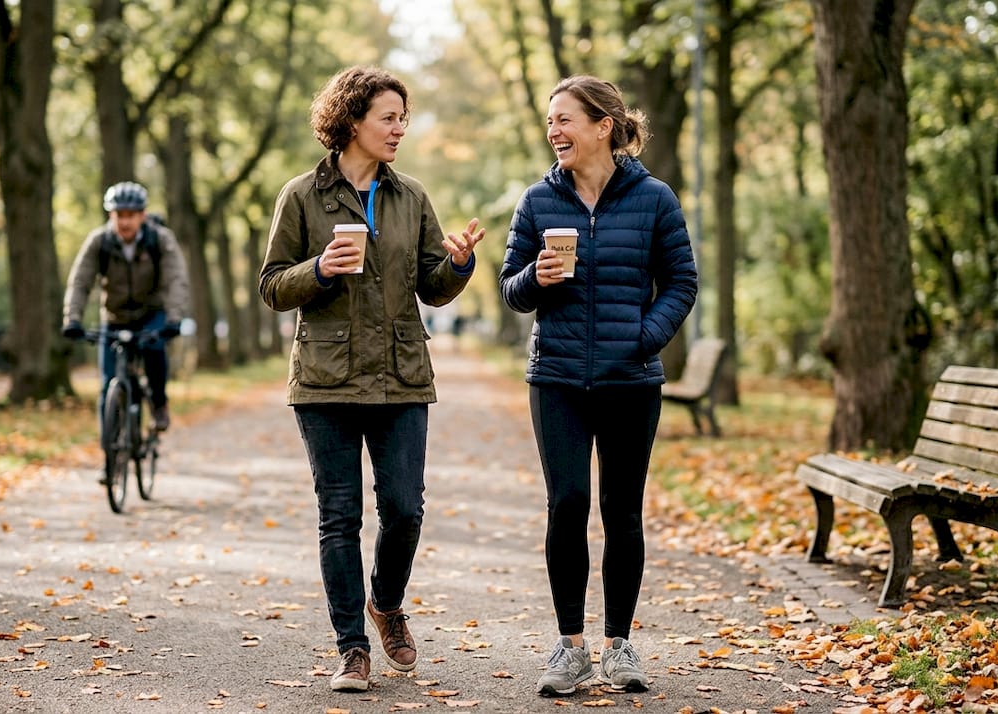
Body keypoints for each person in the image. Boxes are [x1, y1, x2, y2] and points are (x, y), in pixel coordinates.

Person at [258, 65, 483, 693]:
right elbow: (273, 286)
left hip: (402, 377)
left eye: (402, 117)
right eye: (388, 117)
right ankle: (352, 648)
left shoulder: (411, 197)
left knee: (404, 509)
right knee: (338, 515)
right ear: (352, 121)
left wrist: (458, 264)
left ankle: (385, 604)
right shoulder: (301, 196)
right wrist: (320, 269)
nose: (399, 128)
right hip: (325, 382)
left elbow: (432, 287)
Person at [497, 75, 698, 697]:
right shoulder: (538, 201)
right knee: (567, 505)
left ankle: (619, 644)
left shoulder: (655, 198)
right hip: (556, 377)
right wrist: (537, 275)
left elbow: (682, 282)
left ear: (603, 125)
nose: (553, 130)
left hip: (630, 380)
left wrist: (642, 339)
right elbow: (511, 290)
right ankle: (570, 647)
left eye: (565, 119)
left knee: (622, 510)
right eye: (549, 120)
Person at [62, 181, 190, 432]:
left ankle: (158, 403)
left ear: (142, 215)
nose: (125, 222)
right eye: (120, 215)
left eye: (131, 215)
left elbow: (177, 279)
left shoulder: (159, 239)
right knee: (107, 383)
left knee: (154, 350)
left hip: (151, 314)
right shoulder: (99, 242)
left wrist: (174, 319)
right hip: (114, 317)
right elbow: (80, 281)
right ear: (112, 215)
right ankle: (109, 461)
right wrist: (72, 319)